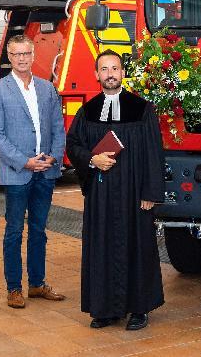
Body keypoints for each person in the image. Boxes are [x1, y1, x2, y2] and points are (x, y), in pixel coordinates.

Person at [65, 49, 165, 331]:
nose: (110, 74)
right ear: (97, 74)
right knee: (102, 247)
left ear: (123, 73)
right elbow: (73, 145)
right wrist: (91, 159)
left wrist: (150, 192)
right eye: (104, 69)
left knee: (138, 246)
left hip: (135, 194)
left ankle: (139, 309)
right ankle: (105, 308)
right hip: (102, 194)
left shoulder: (141, 109)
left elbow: (154, 153)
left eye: (115, 68)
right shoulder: (87, 111)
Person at [0, 34, 67, 309]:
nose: (21, 58)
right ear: (9, 57)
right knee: (14, 230)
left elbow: (58, 128)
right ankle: (14, 288)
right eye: (16, 54)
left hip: (46, 171)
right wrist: (25, 161)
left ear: (33, 56)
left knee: (39, 230)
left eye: (26, 54)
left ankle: (36, 284)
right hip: (17, 172)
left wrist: (53, 158)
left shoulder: (47, 89)